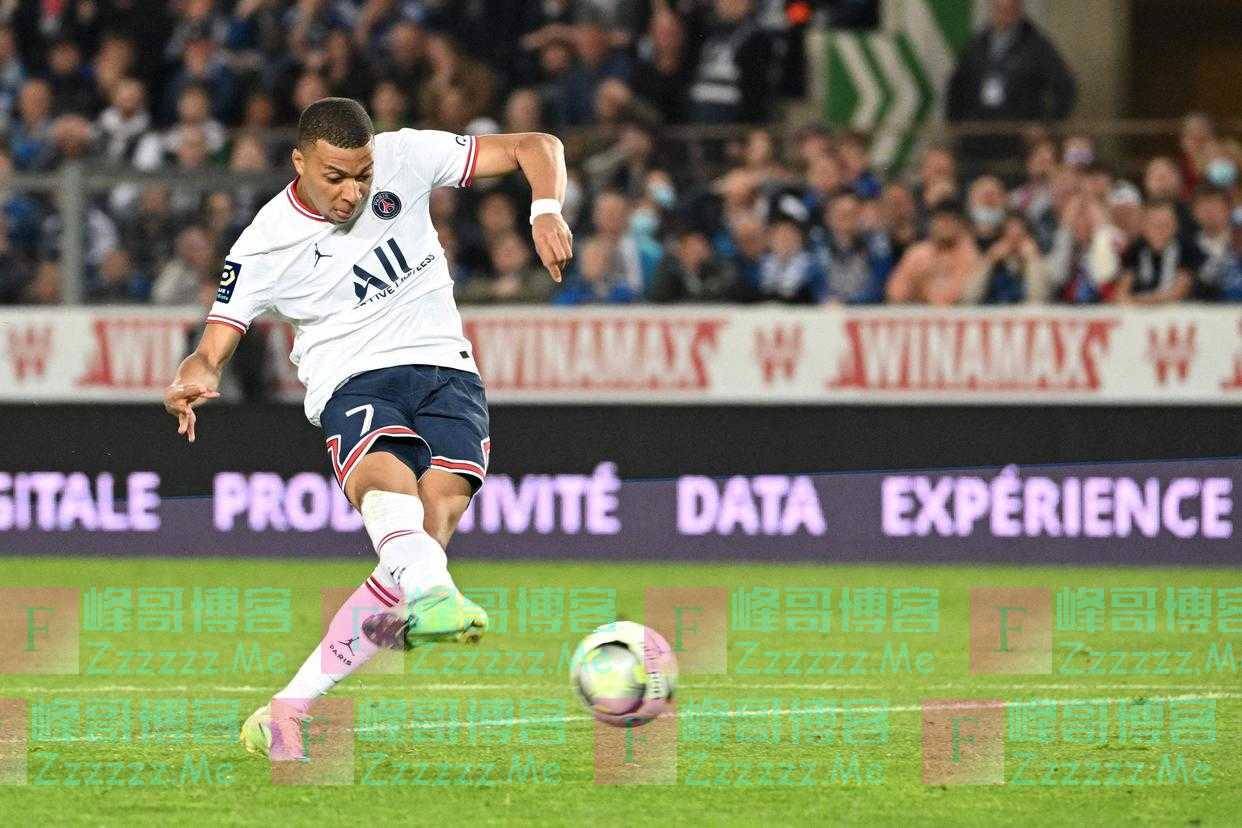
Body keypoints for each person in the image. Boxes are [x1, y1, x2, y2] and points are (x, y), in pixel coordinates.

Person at [162, 98, 573, 761]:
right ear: (299, 163)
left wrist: (545, 210)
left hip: (447, 370)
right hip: (354, 379)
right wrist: (195, 373)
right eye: (335, 178)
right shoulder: (263, 243)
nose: (352, 193)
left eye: (362, 175)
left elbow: (538, 144)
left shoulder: (404, 154)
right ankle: (438, 593)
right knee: (390, 490)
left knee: (423, 536)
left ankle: (287, 709)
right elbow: (212, 344)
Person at [946, 0, 1076, 161]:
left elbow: (1066, 87)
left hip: (1017, 141)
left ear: (1019, 8)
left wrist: (1045, 126)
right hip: (976, 139)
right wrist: (957, 124)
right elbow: (956, 86)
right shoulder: (977, 43)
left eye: (1009, 8)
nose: (1004, 12)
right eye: (999, 8)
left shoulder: (1037, 46)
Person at [886, 199, 980, 306]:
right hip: (918, 313)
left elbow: (951, 299)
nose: (944, 226)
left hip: (954, 314)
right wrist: (917, 279)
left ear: (961, 224)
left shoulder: (969, 254)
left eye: (950, 221)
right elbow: (895, 294)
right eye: (940, 220)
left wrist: (926, 282)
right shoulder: (918, 253)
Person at [1114, 200, 1204, 304]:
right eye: (1154, 224)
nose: (1161, 229)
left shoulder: (1188, 249)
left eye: (1166, 224)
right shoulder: (1135, 249)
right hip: (1141, 310)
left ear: (1175, 226)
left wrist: (1138, 301)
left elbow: (1178, 292)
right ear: (1143, 226)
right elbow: (1122, 291)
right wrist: (1129, 301)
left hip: (1180, 310)